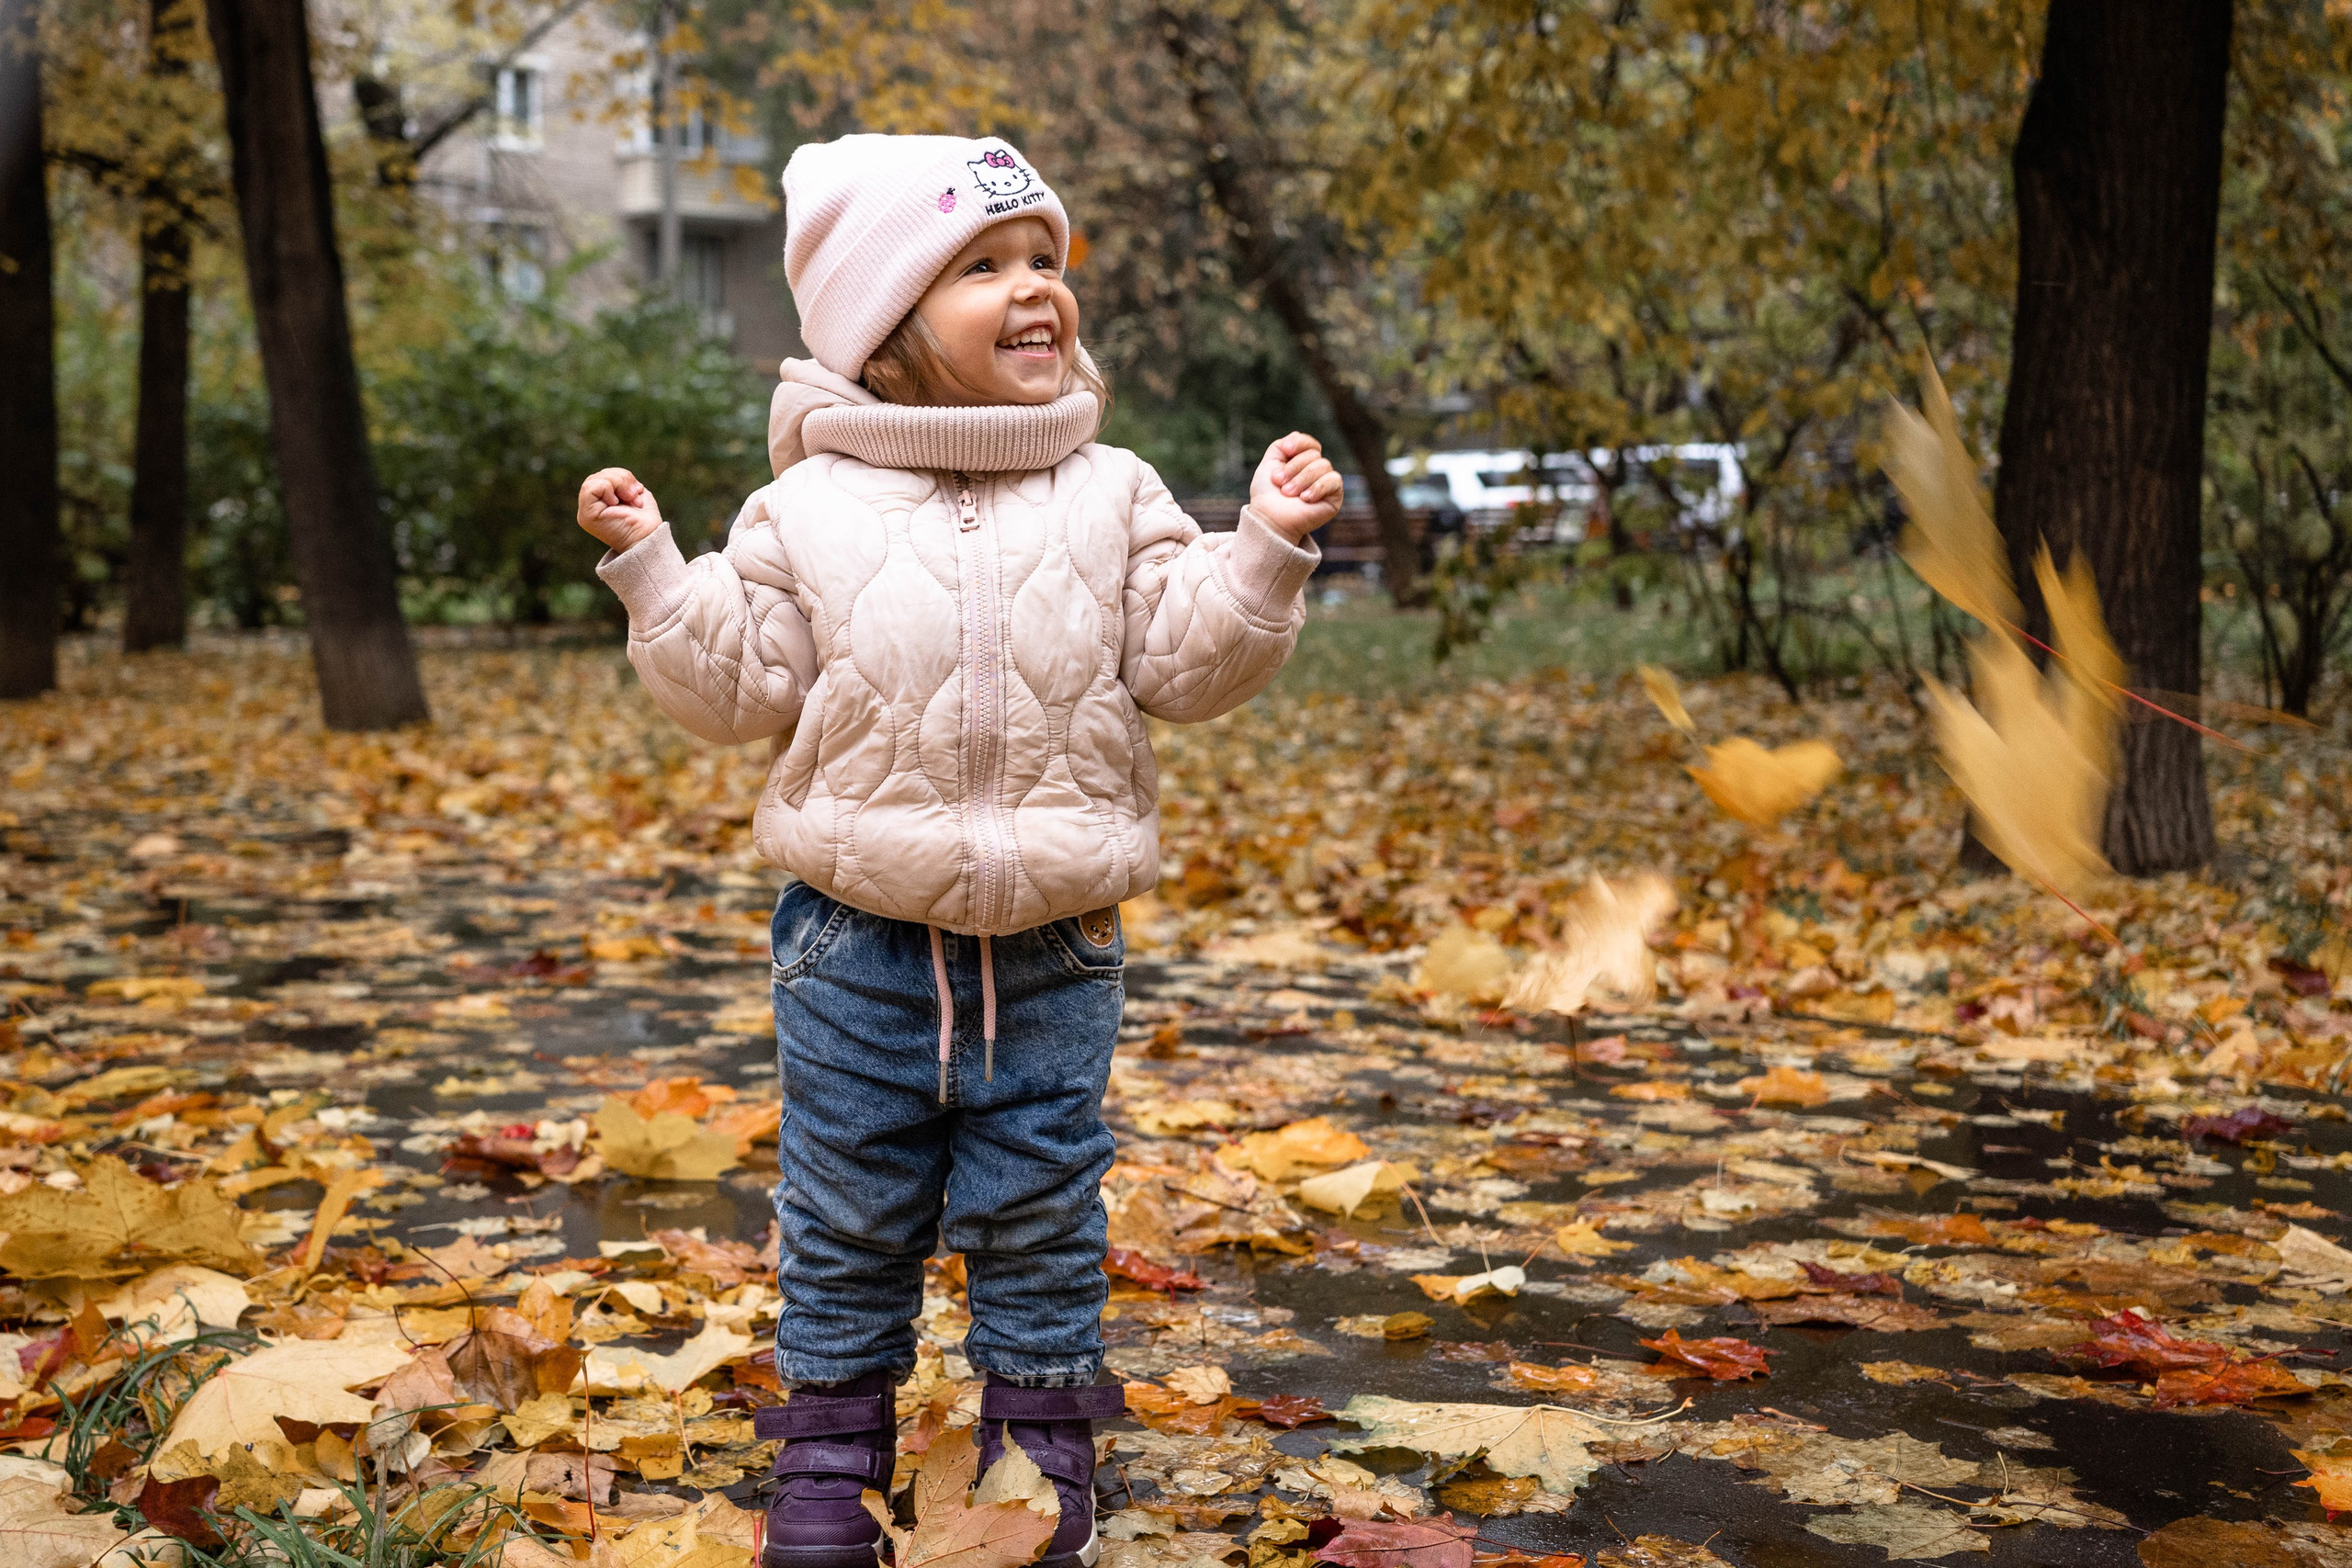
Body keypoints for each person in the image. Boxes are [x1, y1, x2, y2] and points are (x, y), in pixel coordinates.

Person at [575, 134, 1340, 1568]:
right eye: (981, 266)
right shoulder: (805, 508)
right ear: (888, 336)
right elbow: (734, 691)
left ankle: (1035, 1463)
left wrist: (1265, 554)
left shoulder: (1113, 490)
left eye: (1043, 258)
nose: (1033, 285)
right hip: (852, 945)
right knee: (848, 1217)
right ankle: (830, 1466)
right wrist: (655, 573)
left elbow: (1183, 665)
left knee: (1043, 1215)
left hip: (1057, 951)